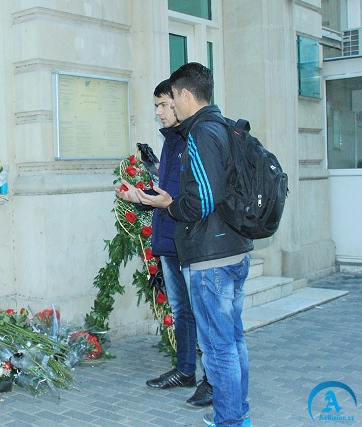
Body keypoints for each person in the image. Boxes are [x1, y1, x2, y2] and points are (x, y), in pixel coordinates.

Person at [121, 63, 253, 427]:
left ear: (185, 95)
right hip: (232, 248)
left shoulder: (203, 133)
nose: (169, 108)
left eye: (171, 99)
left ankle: (229, 420)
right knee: (233, 339)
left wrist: (166, 204)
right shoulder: (224, 128)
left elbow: (200, 201)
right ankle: (237, 414)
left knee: (219, 346)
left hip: (213, 254)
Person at [117, 80, 212, 407]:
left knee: (203, 313)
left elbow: (196, 197)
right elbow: (167, 194)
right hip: (170, 240)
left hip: (192, 243)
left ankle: (212, 380)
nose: (157, 111)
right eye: (156, 105)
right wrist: (140, 197)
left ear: (179, 101)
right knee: (182, 311)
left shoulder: (196, 139)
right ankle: (186, 370)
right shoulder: (171, 141)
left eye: (161, 104)